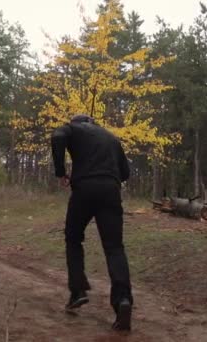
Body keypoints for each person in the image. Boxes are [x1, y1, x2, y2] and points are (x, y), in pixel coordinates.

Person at [51, 113, 134, 331]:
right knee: (115, 248)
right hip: (111, 190)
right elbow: (126, 173)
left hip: (84, 189)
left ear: (78, 122)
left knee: (73, 238)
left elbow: (57, 136)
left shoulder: (72, 128)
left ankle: (78, 291)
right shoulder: (112, 137)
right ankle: (123, 300)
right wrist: (108, 176)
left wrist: (61, 172)